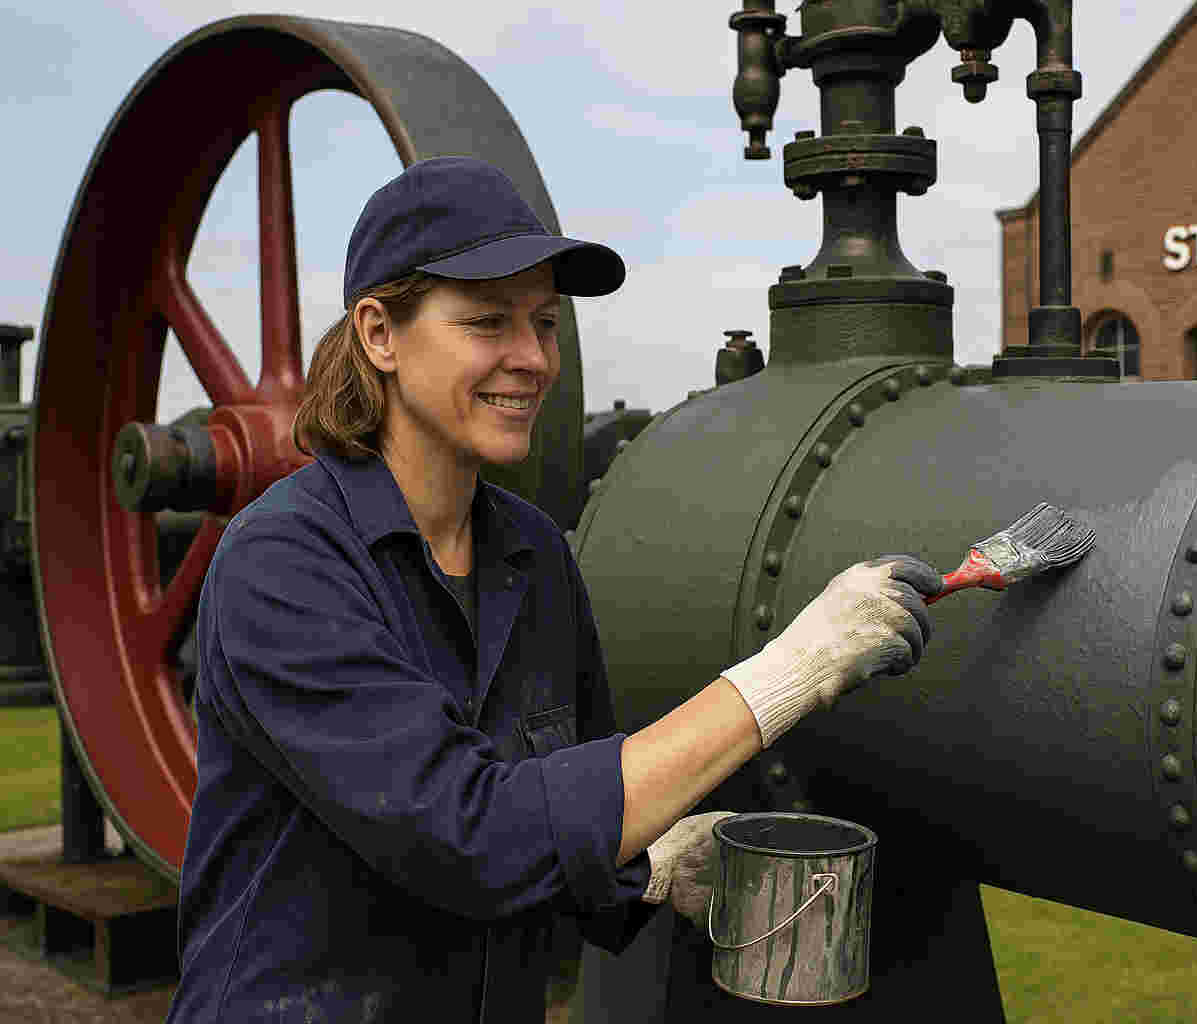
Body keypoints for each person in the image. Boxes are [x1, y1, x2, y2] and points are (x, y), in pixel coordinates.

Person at [163, 156, 941, 1023]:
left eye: (545, 323)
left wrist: (646, 870)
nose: (531, 359)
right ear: (380, 334)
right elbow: (472, 836)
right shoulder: (284, 562)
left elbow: (556, 814)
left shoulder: (535, 556)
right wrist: (793, 669)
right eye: (488, 322)